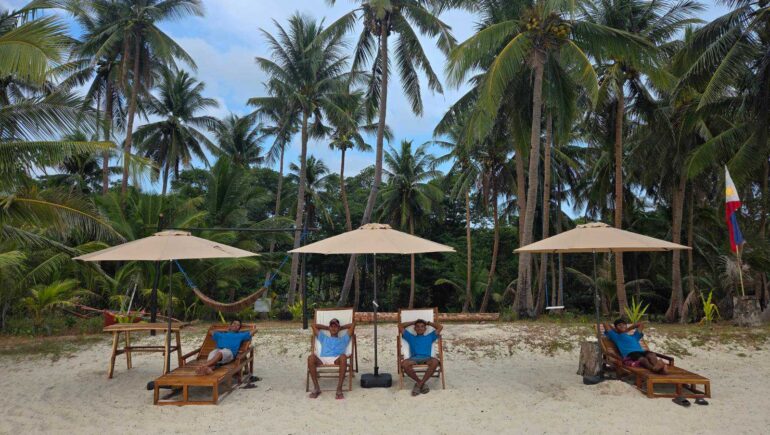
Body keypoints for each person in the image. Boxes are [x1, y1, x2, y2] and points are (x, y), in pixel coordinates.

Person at [307, 318, 354, 400]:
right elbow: (313, 325)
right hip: (322, 359)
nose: (333, 328)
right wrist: (327, 328)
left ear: (339, 328)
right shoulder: (323, 337)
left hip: (336, 359)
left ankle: (339, 389)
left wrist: (341, 328)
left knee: (343, 357)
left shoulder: (344, 339)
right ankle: (317, 388)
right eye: (331, 326)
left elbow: (353, 324)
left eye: (335, 326)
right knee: (311, 358)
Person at [399, 318, 442, 396]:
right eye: (417, 326)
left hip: (427, 358)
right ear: (414, 328)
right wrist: (413, 322)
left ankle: (419, 385)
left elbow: (440, 327)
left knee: (435, 362)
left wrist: (428, 322)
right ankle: (421, 383)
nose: (420, 328)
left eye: (422, 326)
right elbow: (400, 326)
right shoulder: (410, 337)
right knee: (404, 364)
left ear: (425, 329)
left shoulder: (430, 336)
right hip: (414, 359)